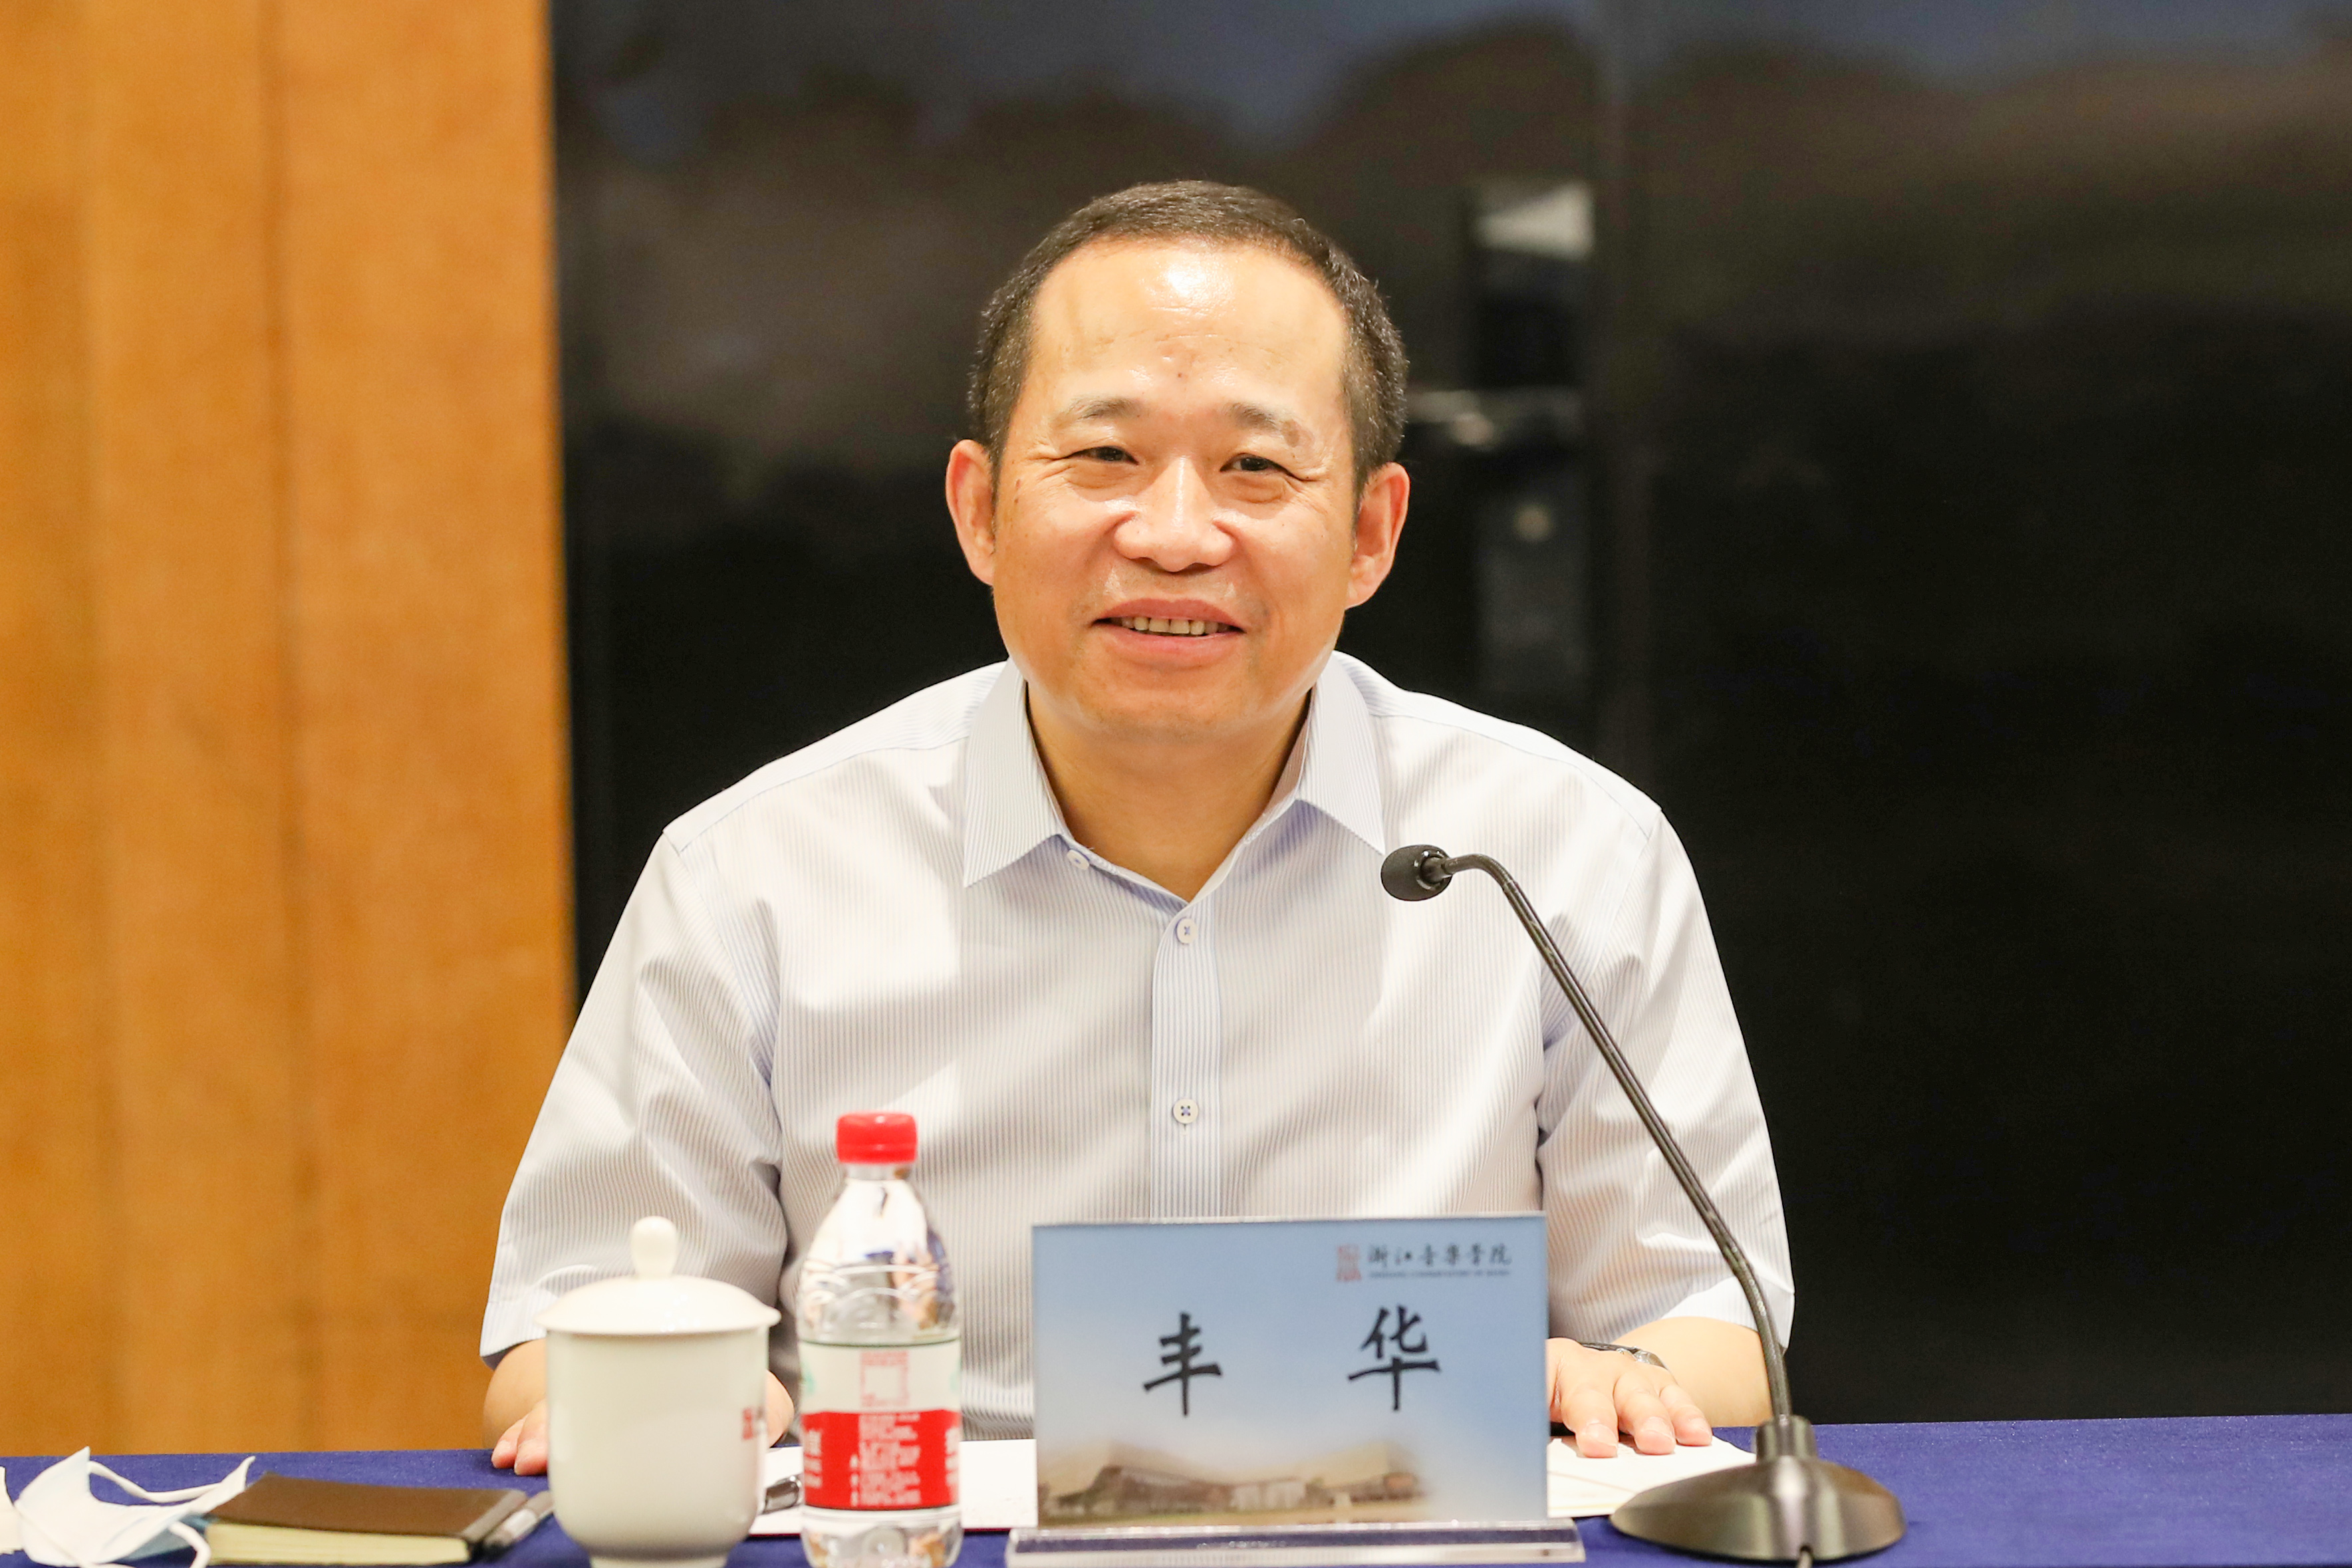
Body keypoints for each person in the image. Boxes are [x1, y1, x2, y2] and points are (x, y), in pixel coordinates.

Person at [482, 180, 1791, 1476]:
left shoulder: (1564, 854)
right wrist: (680, 1398)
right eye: (1103, 457)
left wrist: (1619, 1376)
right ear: (979, 509)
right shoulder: (753, 874)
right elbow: (562, 1336)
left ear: (1370, 533)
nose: (1172, 536)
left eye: (1254, 467)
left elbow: (1710, 1316)